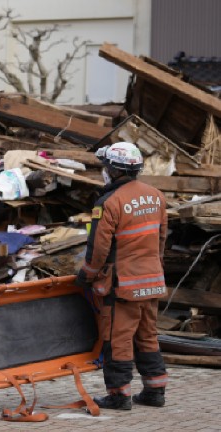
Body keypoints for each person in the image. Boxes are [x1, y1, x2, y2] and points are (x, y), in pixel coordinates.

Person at [77, 141, 169, 410]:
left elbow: (99, 247)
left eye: (105, 166)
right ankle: (155, 391)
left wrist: (87, 275)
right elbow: (161, 239)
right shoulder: (156, 196)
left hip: (122, 286)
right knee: (147, 335)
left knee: (117, 338)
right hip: (151, 281)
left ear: (113, 170)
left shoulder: (108, 202)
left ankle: (119, 394)